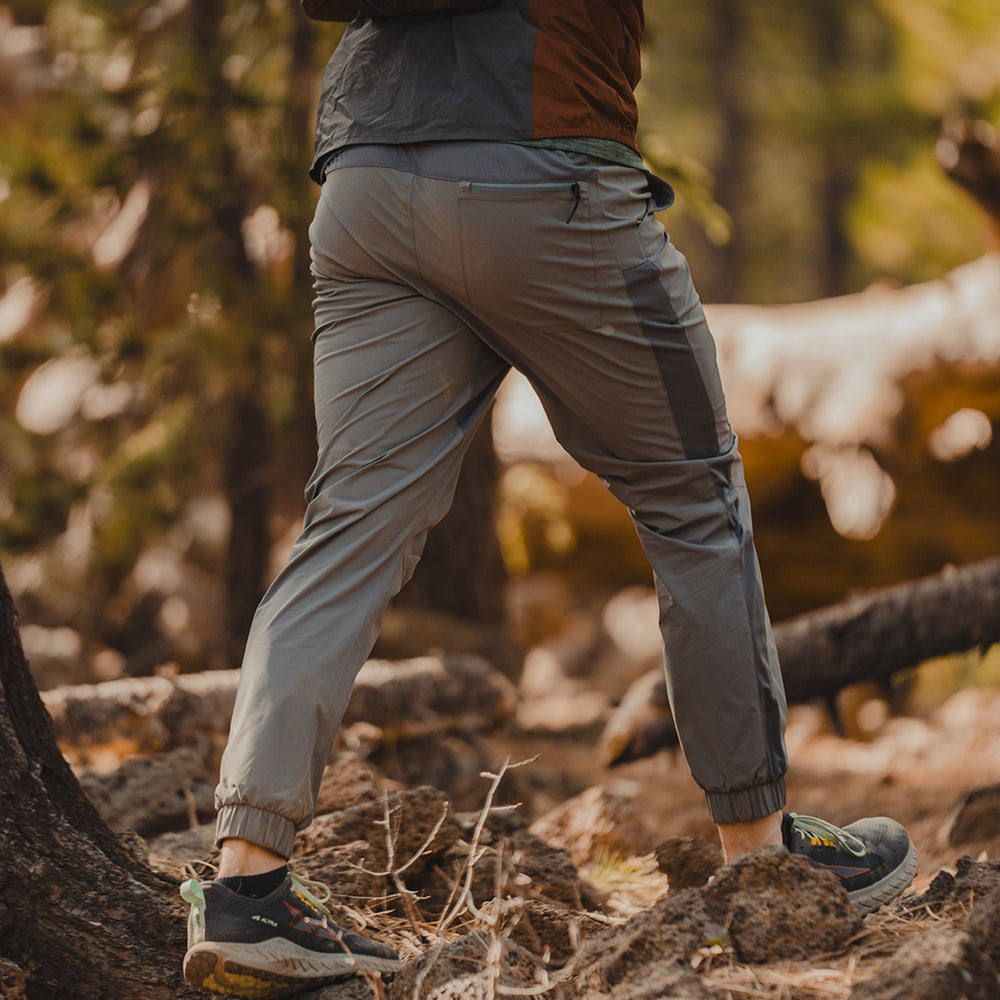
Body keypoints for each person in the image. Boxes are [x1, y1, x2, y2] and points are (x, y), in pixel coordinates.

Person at [180, 1, 919, 995]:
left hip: (367, 181)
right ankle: (760, 852)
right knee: (696, 507)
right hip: (542, 171)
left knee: (344, 535)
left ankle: (247, 888)